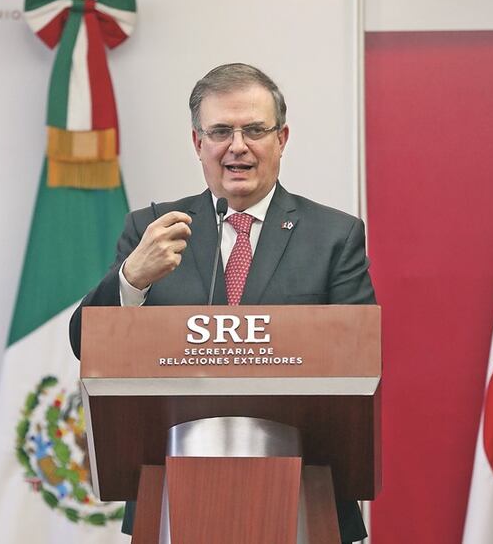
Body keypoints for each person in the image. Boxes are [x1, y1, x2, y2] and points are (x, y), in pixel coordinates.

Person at [69, 62, 375, 542]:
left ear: (282, 138)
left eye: (255, 129)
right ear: (197, 143)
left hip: (305, 496)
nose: (237, 146)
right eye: (220, 131)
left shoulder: (334, 236)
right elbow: (85, 342)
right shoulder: (153, 230)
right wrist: (131, 279)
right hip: (173, 496)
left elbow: (360, 358)